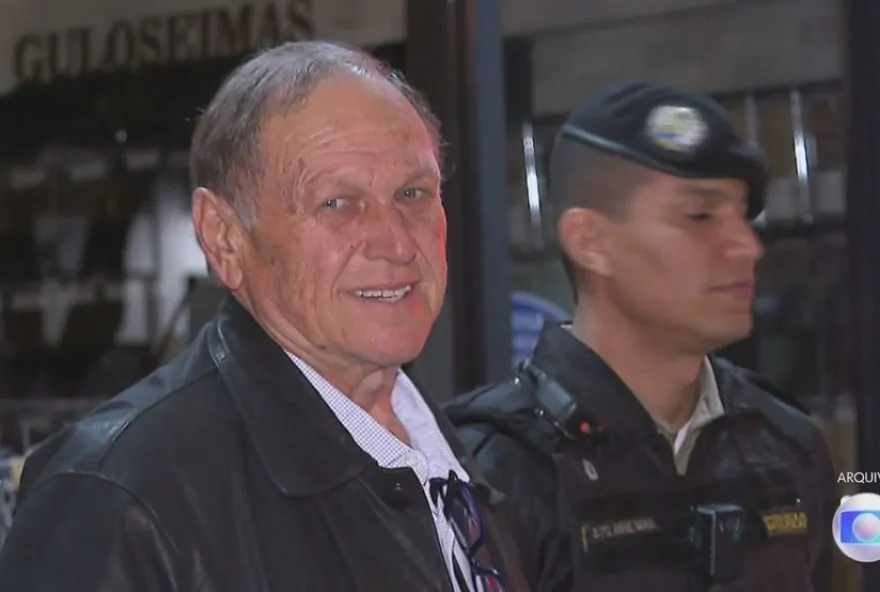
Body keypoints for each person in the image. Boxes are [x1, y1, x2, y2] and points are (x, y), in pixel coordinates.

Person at [0, 41, 529, 592]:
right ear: (224, 238)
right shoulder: (118, 497)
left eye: (413, 193)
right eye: (337, 203)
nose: (397, 243)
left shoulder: (450, 461)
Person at [443, 81, 837, 592]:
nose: (745, 246)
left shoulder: (786, 446)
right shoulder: (492, 469)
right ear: (590, 241)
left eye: (742, 216)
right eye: (700, 216)